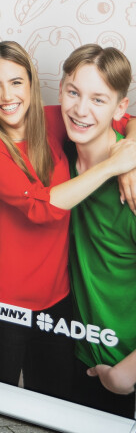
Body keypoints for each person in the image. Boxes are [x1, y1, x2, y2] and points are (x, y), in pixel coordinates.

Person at [0, 41, 136, 401]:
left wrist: (130, 151)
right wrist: (114, 167)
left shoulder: (53, 119)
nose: (6, 95)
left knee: (53, 401)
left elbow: (124, 117)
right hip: (5, 300)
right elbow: (41, 208)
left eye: (16, 82)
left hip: (60, 300)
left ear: (32, 85)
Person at [44, 45, 136, 416]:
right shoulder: (57, 150)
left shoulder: (131, 188)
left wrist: (126, 374)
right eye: (73, 92)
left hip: (122, 370)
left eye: (98, 99)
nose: (81, 110)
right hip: (76, 353)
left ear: (119, 108)